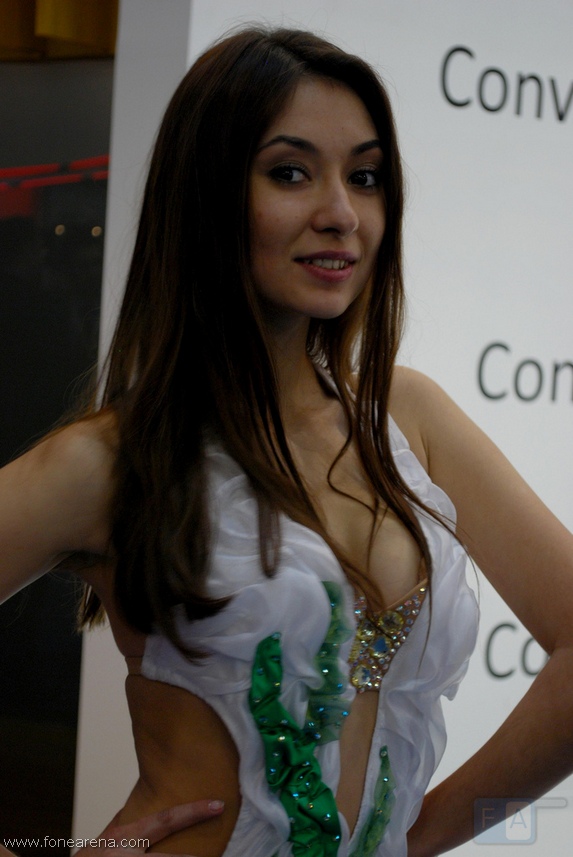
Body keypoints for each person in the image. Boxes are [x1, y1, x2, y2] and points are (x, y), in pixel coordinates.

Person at [2, 24, 573, 857]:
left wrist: (430, 833)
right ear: (207, 193)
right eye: (290, 172)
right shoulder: (115, 461)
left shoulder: (408, 418)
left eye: (364, 177)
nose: (340, 214)